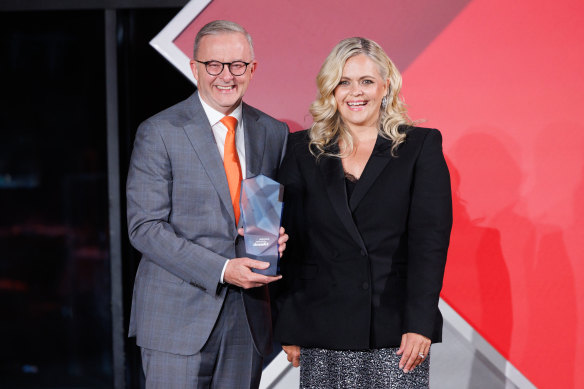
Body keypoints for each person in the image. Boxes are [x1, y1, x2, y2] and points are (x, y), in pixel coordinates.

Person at [273, 37, 452, 388]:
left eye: (367, 81)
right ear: (331, 89)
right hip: (321, 327)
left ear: (386, 86)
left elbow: (429, 244)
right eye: (344, 81)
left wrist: (420, 323)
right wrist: (289, 324)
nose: (356, 92)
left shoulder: (420, 147)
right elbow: (290, 246)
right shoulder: (301, 149)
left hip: (395, 331)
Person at [126, 20, 289, 388]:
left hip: (247, 320)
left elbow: (267, 210)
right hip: (176, 320)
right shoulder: (160, 132)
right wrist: (222, 269)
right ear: (194, 67)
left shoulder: (273, 132)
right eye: (214, 65)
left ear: (252, 69)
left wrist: (277, 239)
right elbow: (145, 228)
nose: (226, 76)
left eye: (237, 65)